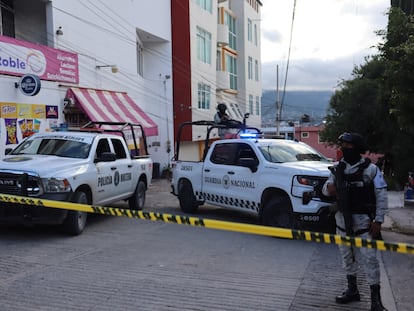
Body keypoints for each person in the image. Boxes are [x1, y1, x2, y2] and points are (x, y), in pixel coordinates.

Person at [322, 132, 388, 311]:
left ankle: (376, 300)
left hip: (364, 224)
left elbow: (381, 196)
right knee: (347, 259)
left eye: (348, 146)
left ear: (357, 148)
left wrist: (379, 221)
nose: (344, 149)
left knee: (370, 261)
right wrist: (330, 189)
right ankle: (352, 290)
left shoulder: (371, 170)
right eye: (342, 145)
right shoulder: (337, 169)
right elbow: (326, 190)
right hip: (343, 223)